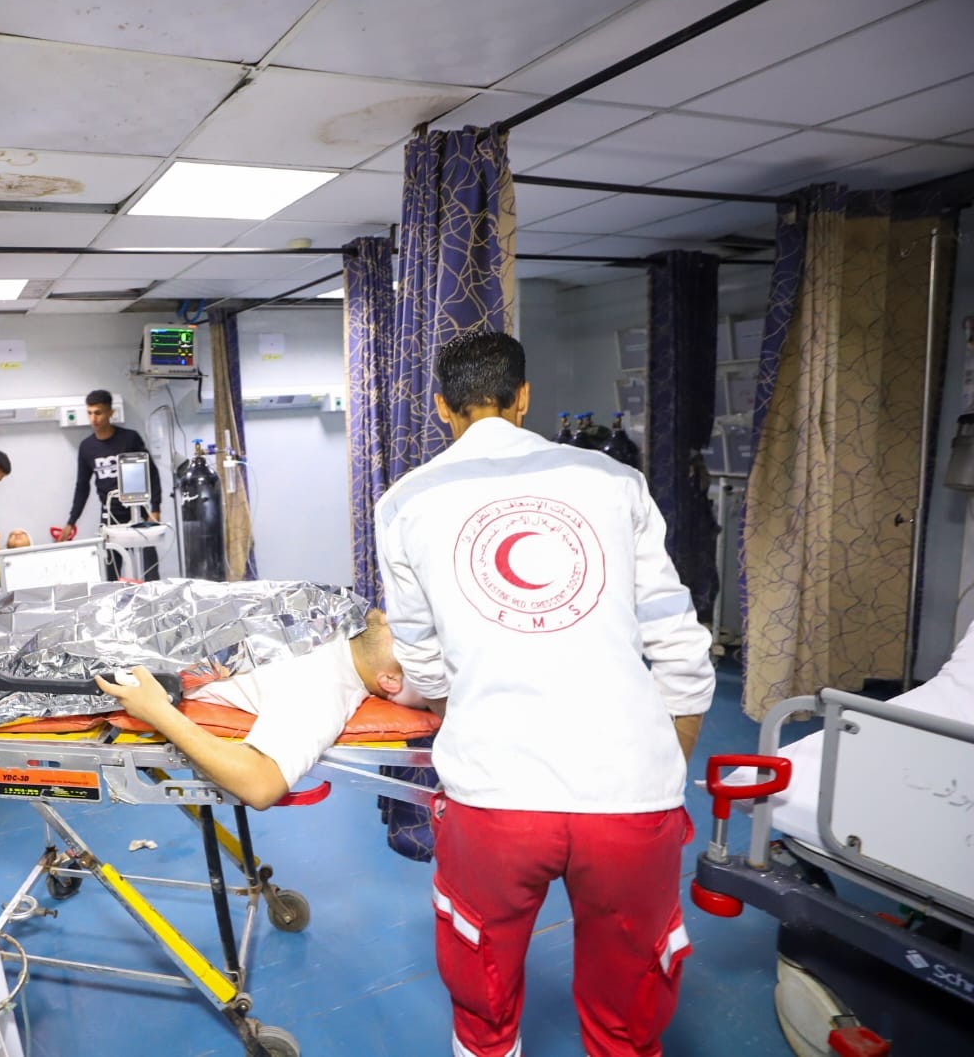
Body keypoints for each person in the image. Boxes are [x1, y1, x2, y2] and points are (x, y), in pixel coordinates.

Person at [373, 329, 714, 1057]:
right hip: (629, 794)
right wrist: (663, 762)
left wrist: (460, 712)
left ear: (441, 406)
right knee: (629, 1007)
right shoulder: (614, 480)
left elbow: (423, 663)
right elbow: (681, 645)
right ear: (524, 397)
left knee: (483, 986)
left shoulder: (405, 502)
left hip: (495, 797)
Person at [95, 611, 412, 810]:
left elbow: (259, 785)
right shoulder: (327, 664)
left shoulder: (327, 656)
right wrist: (158, 711)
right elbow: (260, 786)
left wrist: (158, 711)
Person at [60, 389, 161, 580]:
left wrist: (155, 508)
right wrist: (71, 522)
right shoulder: (87, 447)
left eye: (98, 413)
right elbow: (82, 487)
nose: (93, 418)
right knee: (112, 576)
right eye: (90, 413)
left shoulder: (129, 439)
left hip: (137, 511)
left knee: (150, 572)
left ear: (110, 413)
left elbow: (151, 472)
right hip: (110, 516)